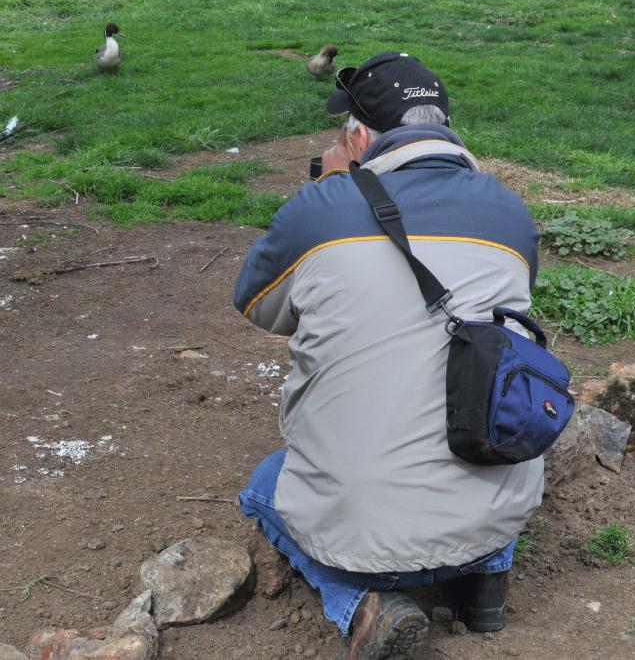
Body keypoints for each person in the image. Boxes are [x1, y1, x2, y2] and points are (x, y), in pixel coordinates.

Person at [233, 52, 543, 659]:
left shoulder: (320, 208)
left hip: (363, 528)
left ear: (356, 135)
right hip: (492, 512)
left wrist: (325, 188)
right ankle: (484, 583)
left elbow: (257, 305)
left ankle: (364, 607)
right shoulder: (511, 213)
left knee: (264, 485)